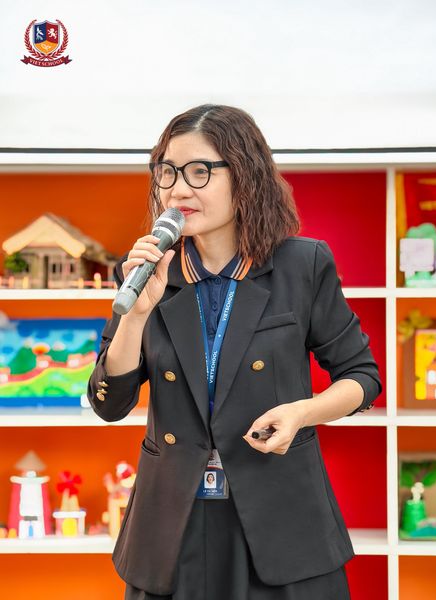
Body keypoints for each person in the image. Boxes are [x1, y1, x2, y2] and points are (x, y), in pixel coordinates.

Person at [87, 104, 382, 600]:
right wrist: (135, 315)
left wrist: (302, 413)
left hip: (282, 521)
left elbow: (362, 376)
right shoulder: (147, 271)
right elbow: (109, 403)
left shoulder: (302, 265)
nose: (178, 190)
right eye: (167, 171)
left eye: (200, 172)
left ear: (245, 176)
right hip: (173, 525)